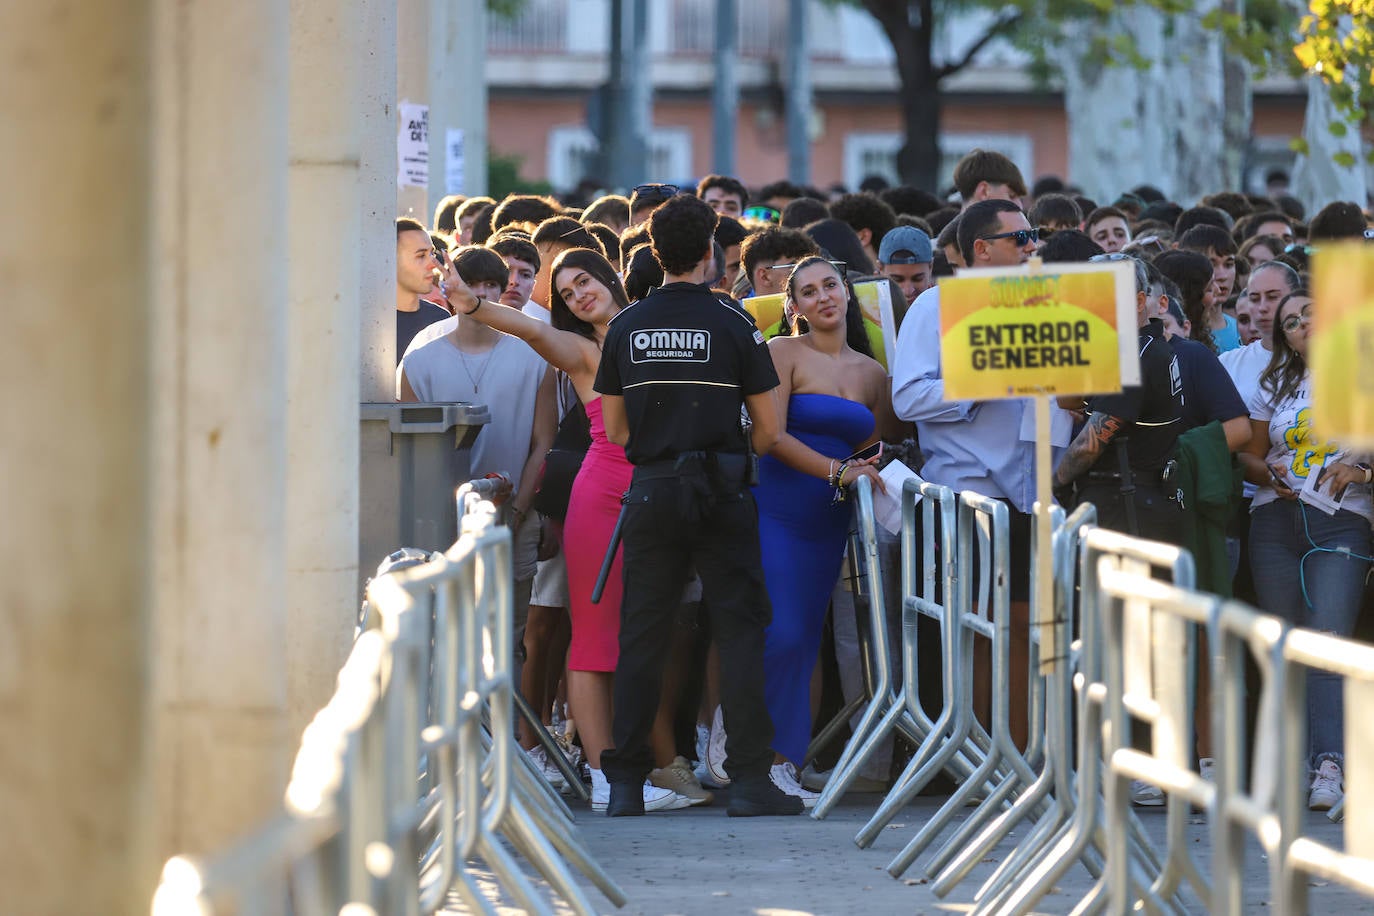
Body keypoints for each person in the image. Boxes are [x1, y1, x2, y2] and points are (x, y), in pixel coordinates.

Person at [440, 245, 699, 813]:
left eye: (585, 281)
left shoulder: (655, 333)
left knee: (646, 638)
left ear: (610, 278)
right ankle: (608, 781)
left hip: (663, 494)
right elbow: (531, 332)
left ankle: (636, 768)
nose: (580, 295)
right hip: (603, 496)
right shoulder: (582, 350)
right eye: (566, 292)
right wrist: (472, 305)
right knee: (595, 637)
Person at [593, 193, 802, 818]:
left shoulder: (626, 325)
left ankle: (626, 783)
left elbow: (617, 429)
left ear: (655, 253)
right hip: (723, 490)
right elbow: (769, 430)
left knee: (643, 633)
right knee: (739, 631)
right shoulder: (735, 322)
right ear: (711, 251)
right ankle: (749, 780)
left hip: (653, 490)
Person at [890, 198, 1042, 750]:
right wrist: (987, 380)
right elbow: (907, 396)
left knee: (1024, 629)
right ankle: (979, 760)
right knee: (981, 629)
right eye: (1019, 238)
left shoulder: (1041, 304)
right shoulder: (936, 306)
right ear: (982, 249)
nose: (1032, 246)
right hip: (968, 498)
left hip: (1033, 495)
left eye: (1033, 235)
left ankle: (1020, 760)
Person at [751, 256, 898, 805]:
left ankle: (786, 763)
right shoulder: (782, 353)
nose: (823, 297)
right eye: (809, 292)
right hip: (778, 511)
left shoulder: (872, 373)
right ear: (794, 307)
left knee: (806, 639)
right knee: (785, 634)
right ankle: (759, 760)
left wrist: (863, 472)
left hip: (831, 520)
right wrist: (837, 470)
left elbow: (876, 450)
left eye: (830, 286)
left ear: (847, 292)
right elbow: (767, 437)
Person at [1240, 290, 1372, 812]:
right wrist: (1266, 473)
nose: (1302, 325)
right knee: (1286, 646)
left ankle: (1330, 766)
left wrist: (1360, 471)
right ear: (1287, 340)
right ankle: (1292, 763)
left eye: (1310, 314)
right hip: (1273, 520)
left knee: (1328, 640)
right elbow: (1250, 457)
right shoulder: (1274, 385)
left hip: (1342, 521)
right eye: (1291, 323)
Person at [399, 244, 556, 669]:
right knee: (446, 635)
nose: (480, 293)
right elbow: (411, 452)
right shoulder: (419, 359)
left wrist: (520, 509)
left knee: (509, 636)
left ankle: (504, 712)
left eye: (490, 284)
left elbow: (544, 440)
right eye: (471, 282)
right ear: (449, 288)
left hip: (515, 514)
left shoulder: (534, 355)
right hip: (440, 520)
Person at [1054, 254, 1184, 545]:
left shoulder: (1136, 356)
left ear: (1139, 302)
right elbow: (1067, 400)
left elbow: (1088, 446)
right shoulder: (1131, 348)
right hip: (1130, 500)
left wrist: (1054, 483)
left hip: (1127, 505)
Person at [395, 217, 452, 360]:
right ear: (391, 260)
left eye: (432, 254)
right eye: (421, 256)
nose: (432, 264)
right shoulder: (368, 322)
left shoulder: (440, 319)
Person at [876, 225, 935, 307]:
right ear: (880, 269)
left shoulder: (945, 307)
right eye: (896, 280)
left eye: (918, 279)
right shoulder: (866, 308)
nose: (908, 291)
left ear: (930, 267)